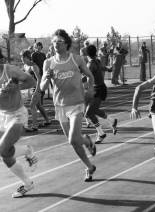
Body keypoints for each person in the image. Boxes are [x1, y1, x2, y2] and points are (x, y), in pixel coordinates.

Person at [40, 29, 97, 182]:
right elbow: (42, 88)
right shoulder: (48, 63)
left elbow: (89, 75)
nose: (56, 44)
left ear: (67, 44)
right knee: (74, 142)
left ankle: (85, 142)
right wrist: (46, 78)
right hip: (60, 106)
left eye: (59, 42)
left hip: (76, 104)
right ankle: (89, 165)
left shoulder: (76, 59)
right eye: (54, 42)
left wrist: (90, 89)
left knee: (73, 139)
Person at [0, 61, 38, 198]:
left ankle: (27, 151)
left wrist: (16, 87)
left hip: (17, 114)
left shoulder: (10, 70)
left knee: (3, 148)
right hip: (1, 115)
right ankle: (28, 184)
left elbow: (32, 82)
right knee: (5, 155)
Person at [85, 45, 118, 143]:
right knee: (93, 111)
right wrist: (109, 68)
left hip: (97, 90)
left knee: (89, 113)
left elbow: (86, 78)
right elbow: (104, 68)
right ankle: (111, 121)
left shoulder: (90, 64)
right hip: (100, 88)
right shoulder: (97, 61)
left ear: (87, 54)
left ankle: (101, 133)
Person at [20, 50, 50, 132]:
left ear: (27, 58)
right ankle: (48, 120)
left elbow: (39, 79)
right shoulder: (25, 66)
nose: (21, 59)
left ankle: (35, 126)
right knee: (39, 106)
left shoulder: (34, 66)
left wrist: (37, 90)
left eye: (22, 58)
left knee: (32, 105)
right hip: (33, 88)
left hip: (39, 87)